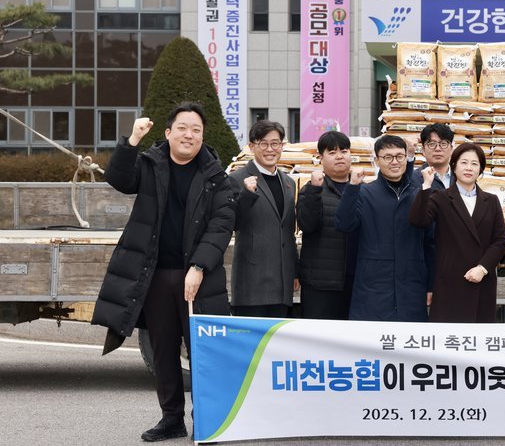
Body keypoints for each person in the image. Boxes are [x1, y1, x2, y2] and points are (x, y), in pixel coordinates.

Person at [92, 103, 234, 442]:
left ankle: (207, 420)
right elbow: (119, 179)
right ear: (168, 133)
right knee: (164, 350)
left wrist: (198, 266)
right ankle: (171, 419)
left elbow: (221, 224)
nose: (189, 135)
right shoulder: (149, 164)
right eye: (182, 128)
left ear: (203, 136)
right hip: (155, 275)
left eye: (196, 130)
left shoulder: (216, 176)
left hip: (198, 279)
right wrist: (131, 141)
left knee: (203, 352)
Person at [334, 135, 432, 321]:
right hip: (374, 287)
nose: (394, 162)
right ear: (377, 160)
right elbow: (344, 224)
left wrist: (431, 284)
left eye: (399, 156)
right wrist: (352, 187)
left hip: (411, 286)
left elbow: (430, 242)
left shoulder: (418, 194)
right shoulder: (364, 193)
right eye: (388, 157)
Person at [409, 142, 505, 323]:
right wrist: (426, 186)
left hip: (482, 280)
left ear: (481, 170)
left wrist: (483, 268)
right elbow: (418, 221)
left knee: (479, 335)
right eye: (464, 162)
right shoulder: (440, 197)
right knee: (449, 335)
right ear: (454, 166)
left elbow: (500, 240)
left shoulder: (491, 201)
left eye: (474, 164)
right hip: (450, 280)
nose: (469, 168)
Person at [228, 120, 297, 318]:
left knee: (277, 337)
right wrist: (247, 195)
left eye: (275, 143)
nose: (270, 149)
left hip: (282, 284)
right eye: (263, 143)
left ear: (282, 146)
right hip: (252, 284)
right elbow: (232, 223)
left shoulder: (289, 182)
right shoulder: (237, 178)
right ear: (252, 146)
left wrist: (295, 272)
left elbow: (288, 231)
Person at [297, 130, 356, 320]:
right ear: (320, 157)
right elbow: (307, 225)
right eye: (332, 152)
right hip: (320, 284)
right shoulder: (311, 189)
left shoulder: (361, 189)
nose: (339, 156)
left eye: (344, 151)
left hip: (356, 282)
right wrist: (314, 190)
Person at [419, 122, 455, 191]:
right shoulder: (413, 179)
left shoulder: (461, 176)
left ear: (451, 149)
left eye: (443, 143)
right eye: (432, 144)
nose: (438, 149)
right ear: (423, 150)